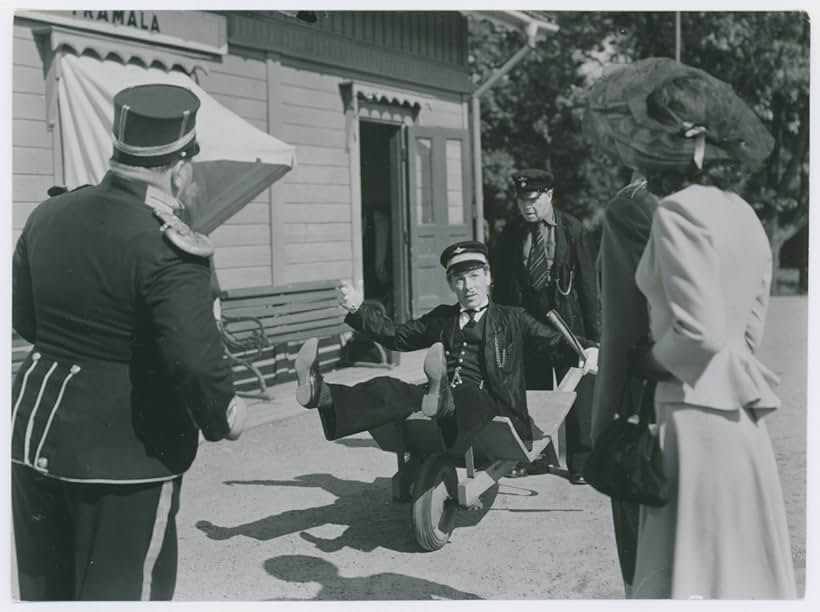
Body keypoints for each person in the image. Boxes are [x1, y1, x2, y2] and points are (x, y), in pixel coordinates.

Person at [11, 83, 247, 601]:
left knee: (45, 594)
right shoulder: (168, 243)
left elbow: (26, 322)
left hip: (33, 439)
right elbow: (194, 360)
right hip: (129, 455)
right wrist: (222, 414)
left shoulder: (47, 215)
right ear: (180, 167)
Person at [584, 56, 796, 598]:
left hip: (689, 427)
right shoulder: (744, 213)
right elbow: (745, 337)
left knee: (684, 580)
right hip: (743, 429)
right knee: (737, 581)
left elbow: (698, 336)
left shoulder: (676, 212)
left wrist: (647, 361)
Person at [294, 240, 598, 458]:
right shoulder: (442, 318)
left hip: (493, 401)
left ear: (489, 278)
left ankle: (442, 400)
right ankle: (321, 393)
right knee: (389, 388)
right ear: (451, 284)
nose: (468, 287)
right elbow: (397, 336)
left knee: (467, 396)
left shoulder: (513, 319)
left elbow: (555, 343)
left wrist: (587, 351)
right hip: (439, 395)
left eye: (475, 277)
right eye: (459, 279)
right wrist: (358, 309)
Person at [493, 169, 600, 481]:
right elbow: (502, 285)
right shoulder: (512, 232)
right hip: (529, 328)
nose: (526, 205)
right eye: (521, 199)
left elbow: (590, 287)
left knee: (578, 396)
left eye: (533, 198)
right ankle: (534, 458)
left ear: (549, 195)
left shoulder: (573, 230)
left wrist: (595, 341)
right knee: (532, 395)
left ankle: (582, 463)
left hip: (570, 327)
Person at [589, 171, 659, 596]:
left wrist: (601, 428)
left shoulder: (630, 206)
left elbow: (621, 327)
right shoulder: (724, 203)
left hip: (649, 399)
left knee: (645, 551)